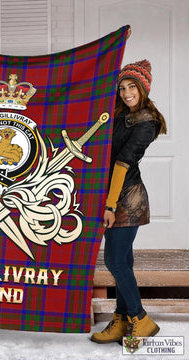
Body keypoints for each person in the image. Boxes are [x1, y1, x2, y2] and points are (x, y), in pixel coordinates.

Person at [91, 60, 167, 344]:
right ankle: (122, 321)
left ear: (143, 89)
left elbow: (123, 163)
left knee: (114, 260)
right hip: (114, 193)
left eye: (131, 86)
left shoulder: (147, 121)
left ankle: (140, 318)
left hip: (128, 199)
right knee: (123, 260)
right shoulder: (120, 113)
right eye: (122, 87)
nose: (126, 92)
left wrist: (110, 206)